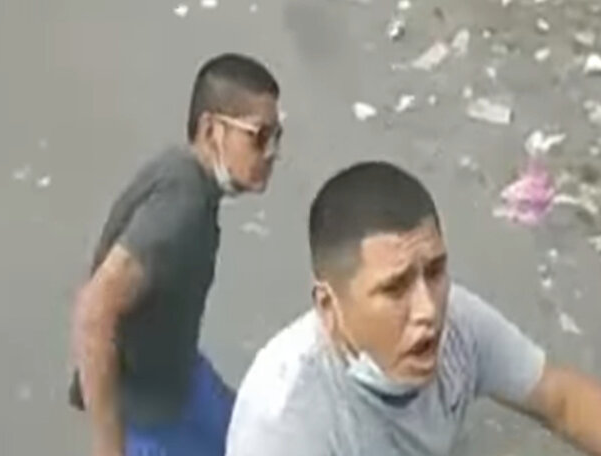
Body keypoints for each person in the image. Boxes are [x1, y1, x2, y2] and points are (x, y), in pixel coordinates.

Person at [226, 161, 601, 456]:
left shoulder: (457, 322)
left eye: (435, 272)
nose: (428, 311)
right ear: (328, 306)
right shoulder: (282, 424)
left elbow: (562, 399)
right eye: (395, 288)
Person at [69, 53, 282, 456]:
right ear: (211, 129)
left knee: (258, 440)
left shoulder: (182, 174)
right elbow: (94, 313)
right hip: (151, 419)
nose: (271, 152)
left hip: (182, 375)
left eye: (277, 137)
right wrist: (108, 447)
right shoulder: (180, 208)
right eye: (258, 136)